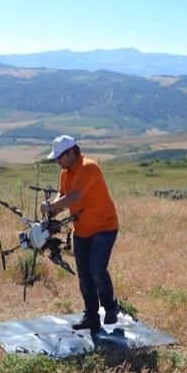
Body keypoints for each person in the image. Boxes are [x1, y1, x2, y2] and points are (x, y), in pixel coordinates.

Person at [41, 135, 119, 331]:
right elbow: (64, 194)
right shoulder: (66, 172)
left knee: (96, 269)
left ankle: (110, 307)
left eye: (60, 157)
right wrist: (54, 208)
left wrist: (52, 205)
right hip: (82, 230)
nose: (57, 161)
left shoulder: (88, 167)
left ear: (71, 152)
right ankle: (91, 316)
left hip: (104, 227)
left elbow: (76, 196)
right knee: (84, 275)